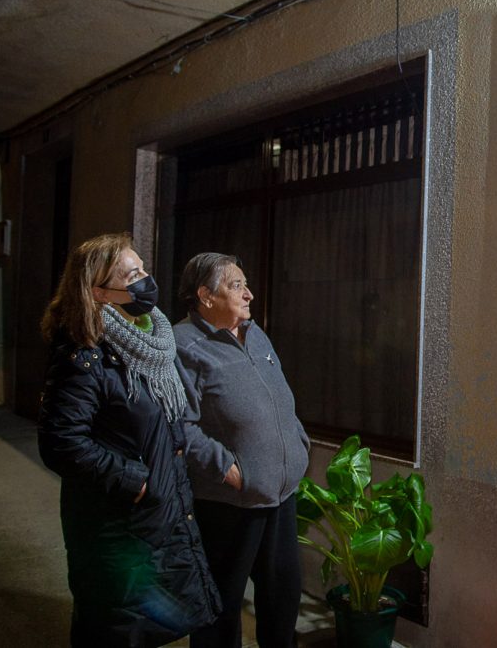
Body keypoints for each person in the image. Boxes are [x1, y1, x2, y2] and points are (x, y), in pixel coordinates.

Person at [38, 233, 220, 647]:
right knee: (115, 623)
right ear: (99, 291)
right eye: (132, 274)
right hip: (117, 524)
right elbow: (61, 441)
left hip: (155, 517)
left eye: (143, 269)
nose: (145, 281)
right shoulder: (84, 354)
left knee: (146, 622)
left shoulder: (151, 339)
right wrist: (134, 480)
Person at [173, 252, 310, 648]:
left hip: (280, 497)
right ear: (206, 295)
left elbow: (280, 398)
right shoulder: (184, 345)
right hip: (229, 502)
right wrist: (229, 470)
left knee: (282, 599)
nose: (249, 294)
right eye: (236, 286)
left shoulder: (255, 333)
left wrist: (297, 442)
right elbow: (180, 424)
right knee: (220, 607)